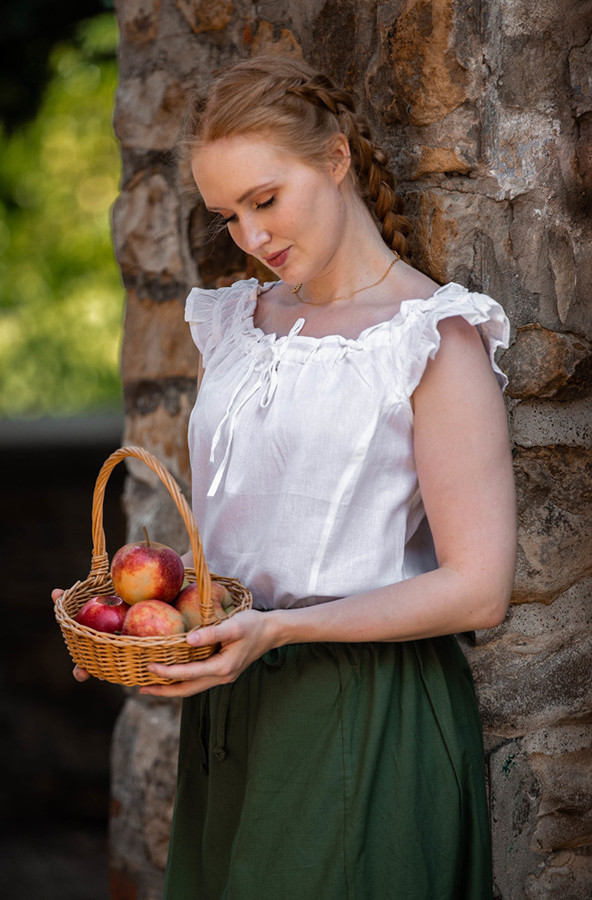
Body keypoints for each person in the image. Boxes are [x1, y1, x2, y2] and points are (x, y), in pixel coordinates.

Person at [63, 56, 517, 898]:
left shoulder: (432, 339)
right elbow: (250, 533)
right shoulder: (240, 322)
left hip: (362, 708)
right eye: (228, 216)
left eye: (265, 200)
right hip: (235, 702)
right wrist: (134, 623)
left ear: (336, 158)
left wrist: (278, 632)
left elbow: (479, 590)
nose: (251, 237)